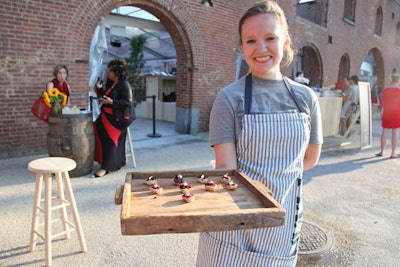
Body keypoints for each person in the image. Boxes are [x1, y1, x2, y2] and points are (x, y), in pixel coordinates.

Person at [197, 1, 323, 266]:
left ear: (286, 42)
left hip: (283, 222)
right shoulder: (228, 99)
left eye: (270, 38)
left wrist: (278, 183)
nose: (261, 48)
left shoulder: (305, 98)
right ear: (242, 48)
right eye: (250, 40)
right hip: (235, 221)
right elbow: (226, 168)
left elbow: (309, 159)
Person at [93, 59, 136, 177]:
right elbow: (106, 97)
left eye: (110, 70)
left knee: (110, 141)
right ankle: (113, 162)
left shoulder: (124, 84)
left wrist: (112, 102)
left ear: (116, 71)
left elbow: (128, 102)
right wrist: (99, 89)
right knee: (98, 131)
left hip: (117, 119)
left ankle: (105, 167)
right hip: (106, 116)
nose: (108, 73)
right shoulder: (111, 84)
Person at [375, 73, 400, 158]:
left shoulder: (386, 90)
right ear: (398, 81)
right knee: (395, 133)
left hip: (387, 113)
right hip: (397, 113)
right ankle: (393, 153)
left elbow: (382, 103)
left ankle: (382, 151)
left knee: (384, 132)